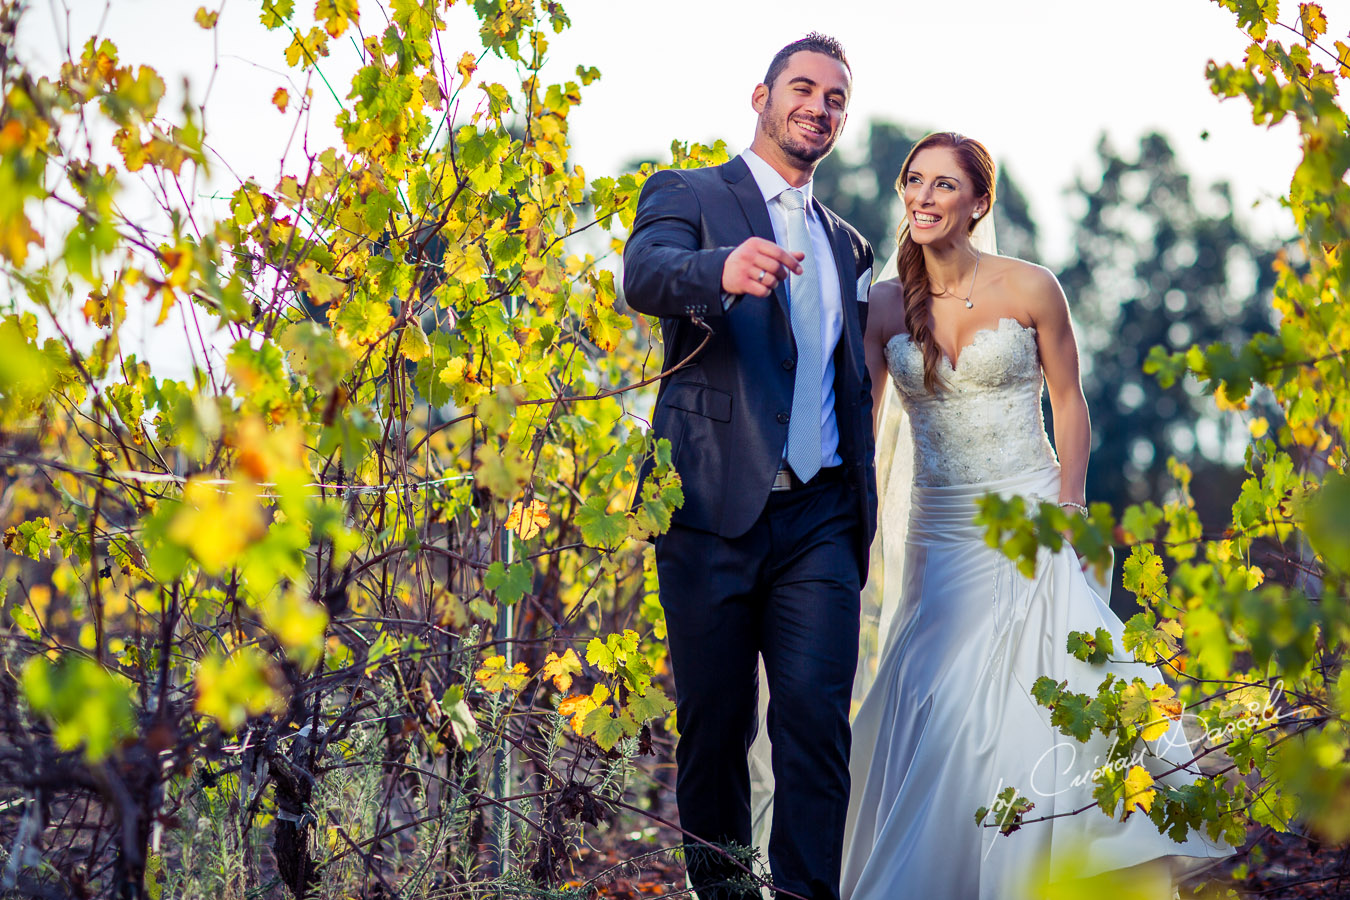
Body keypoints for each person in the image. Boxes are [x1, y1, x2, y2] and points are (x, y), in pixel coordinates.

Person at [842, 131, 1234, 899]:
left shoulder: (1031, 287)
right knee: (939, 700)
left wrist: (1070, 504)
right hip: (937, 533)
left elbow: (1069, 403)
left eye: (944, 185)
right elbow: (861, 420)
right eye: (914, 182)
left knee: (1039, 703)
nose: (923, 197)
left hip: (1030, 518)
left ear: (979, 203)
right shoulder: (883, 303)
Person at [622, 33, 877, 900]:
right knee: (716, 730)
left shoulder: (849, 245)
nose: (819, 105)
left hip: (822, 519)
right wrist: (718, 271)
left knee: (813, 721)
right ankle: (726, 895)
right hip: (709, 512)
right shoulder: (690, 193)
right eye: (802, 88)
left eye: (836, 97)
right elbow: (645, 274)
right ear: (761, 96)